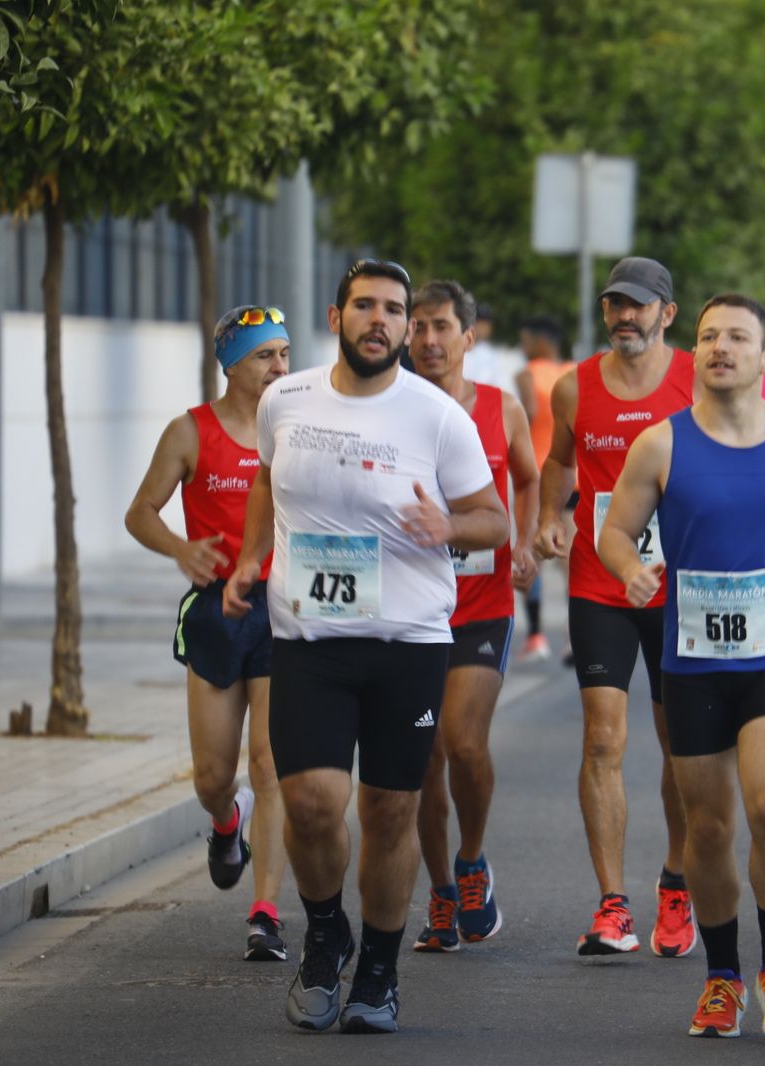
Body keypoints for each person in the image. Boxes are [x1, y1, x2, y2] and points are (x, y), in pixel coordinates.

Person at [223, 259, 508, 1033]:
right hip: (309, 638)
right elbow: (263, 481)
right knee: (314, 805)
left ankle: (379, 968)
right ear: (336, 315)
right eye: (365, 306)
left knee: (389, 811)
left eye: (394, 309)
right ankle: (325, 935)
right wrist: (252, 556)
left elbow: (494, 520)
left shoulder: (437, 416)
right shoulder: (284, 400)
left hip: (408, 643)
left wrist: (447, 526)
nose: (381, 321)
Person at [599, 293, 765, 1040]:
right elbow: (618, 531)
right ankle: (722, 978)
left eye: (737, 337)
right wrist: (630, 571)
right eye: (708, 336)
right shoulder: (661, 444)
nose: (719, 348)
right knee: (708, 830)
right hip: (694, 657)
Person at [532, 256, 697, 959]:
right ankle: (611, 905)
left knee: (681, 748)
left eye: (638, 305)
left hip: (685, 586)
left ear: (667, 312)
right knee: (603, 738)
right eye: (614, 305)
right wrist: (549, 517)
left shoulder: (700, 379)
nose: (624, 316)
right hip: (600, 581)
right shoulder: (575, 388)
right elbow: (560, 463)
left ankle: (677, 886)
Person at [124, 304, 292, 961]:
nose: (281, 366)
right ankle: (228, 822)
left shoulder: (300, 428)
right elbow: (139, 512)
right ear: (231, 365)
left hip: (284, 613)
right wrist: (179, 547)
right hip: (218, 618)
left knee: (271, 766)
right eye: (265, 356)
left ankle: (266, 912)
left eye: (283, 352)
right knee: (213, 776)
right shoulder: (189, 432)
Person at [406, 280, 539, 953]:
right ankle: (437, 887)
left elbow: (530, 474)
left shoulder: (501, 408)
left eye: (442, 327)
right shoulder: (389, 408)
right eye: (419, 327)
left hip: (481, 607)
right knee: (425, 760)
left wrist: (528, 540)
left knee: (462, 743)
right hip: (408, 611)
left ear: (469, 335)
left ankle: (472, 861)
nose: (430, 340)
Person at [513, 315, 573, 663]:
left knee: (529, 554)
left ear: (539, 341)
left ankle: (536, 635)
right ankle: (572, 638)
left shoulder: (527, 374)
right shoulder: (572, 371)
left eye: (525, 341)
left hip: (538, 474)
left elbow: (529, 414)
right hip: (572, 477)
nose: (523, 348)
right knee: (571, 562)